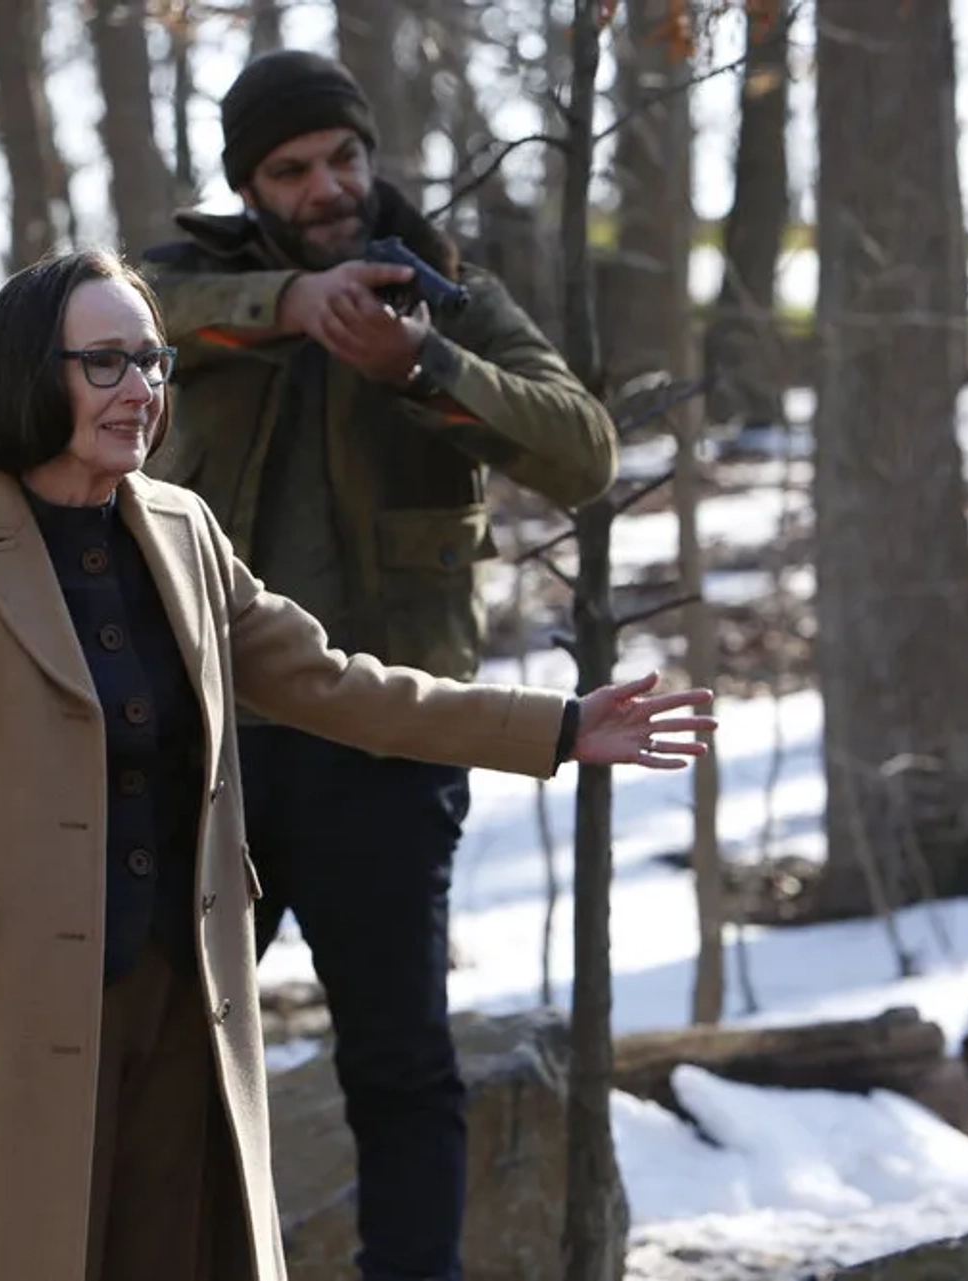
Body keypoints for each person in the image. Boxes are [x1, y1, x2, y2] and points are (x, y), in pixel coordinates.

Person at [0, 250, 714, 1281]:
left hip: (182, 989)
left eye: (152, 361)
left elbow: (338, 685)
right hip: (6, 1004)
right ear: (32, 375)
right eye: (106, 362)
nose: (142, 389)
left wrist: (556, 727)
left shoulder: (185, 532)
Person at [138, 48, 624, 1281]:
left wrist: (424, 369)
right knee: (145, 1054)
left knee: (401, 1068)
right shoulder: (187, 287)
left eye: (344, 158)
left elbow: (584, 452)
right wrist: (286, 310)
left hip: (390, 748)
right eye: (292, 171)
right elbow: (105, 322)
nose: (326, 187)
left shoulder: (446, 290)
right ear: (251, 188)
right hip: (204, 751)